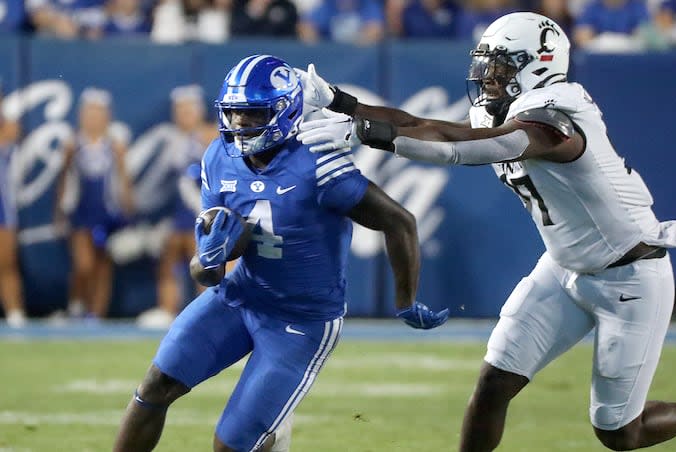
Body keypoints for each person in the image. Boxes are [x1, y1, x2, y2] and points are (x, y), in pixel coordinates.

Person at [295, 12, 676, 452]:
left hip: (628, 276)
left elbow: (467, 150)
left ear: (538, 64)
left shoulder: (556, 117)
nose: (487, 77)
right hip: (563, 268)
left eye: (499, 66)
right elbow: (423, 124)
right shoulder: (506, 109)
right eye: (486, 65)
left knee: (619, 433)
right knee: (494, 381)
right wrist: (339, 100)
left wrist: (368, 134)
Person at [112, 54, 449, 452]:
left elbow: (400, 221)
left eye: (252, 116)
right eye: (234, 115)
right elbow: (207, 274)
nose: (239, 126)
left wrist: (405, 300)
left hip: (301, 322)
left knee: (231, 445)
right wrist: (209, 257)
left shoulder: (317, 162)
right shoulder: (218, 158)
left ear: (284, 112)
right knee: (155, 385)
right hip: (240, 297)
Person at [139, 84, 217, 328]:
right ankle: (167, 308)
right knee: (170, 257)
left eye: (187, 109)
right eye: (179, 110)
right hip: (179, 213)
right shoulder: (172, 139)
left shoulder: (210, 135)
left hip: (205, 209)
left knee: (203, 263)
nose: (182, 114)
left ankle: (209, 312)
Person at [54, 87, 135, 320]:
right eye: (90, 112)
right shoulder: (72, 144)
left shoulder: (115, 145)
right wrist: (59, 211)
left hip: (108, 212)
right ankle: (76, 303)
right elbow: (64, 180)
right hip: (81, 211)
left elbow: (123, 179)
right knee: (84, 265)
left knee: (102, 264)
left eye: (98, 113)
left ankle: (95, 314)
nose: (94, 118)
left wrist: (129, 209)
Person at [0, 85, 27, 328]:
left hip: (2, 204)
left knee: (6, 262)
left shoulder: (8, 127)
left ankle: (15, 313)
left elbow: (10, 133)